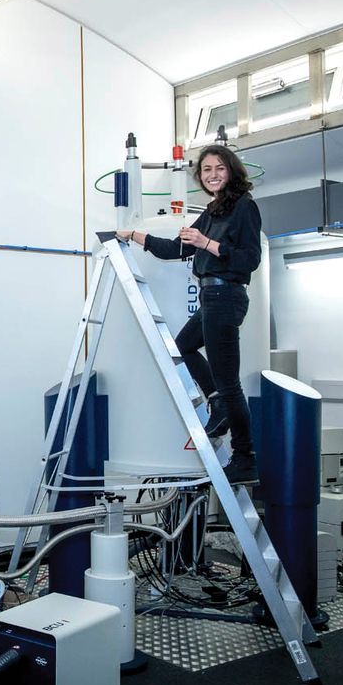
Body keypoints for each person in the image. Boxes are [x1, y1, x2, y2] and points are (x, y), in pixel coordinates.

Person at [116, 145, 262, 484]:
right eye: (207, 170)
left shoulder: (244, 208)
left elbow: (249, 259)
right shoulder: (212, 211)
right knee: (183, 348)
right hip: (211, 296)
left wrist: (206, 243)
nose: (212, 174)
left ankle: (245, 458)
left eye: (219, 168)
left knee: (230, 384)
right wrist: (135, 235)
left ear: (232, 171)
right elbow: (174, 249)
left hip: (226, 295)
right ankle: (218, 402)